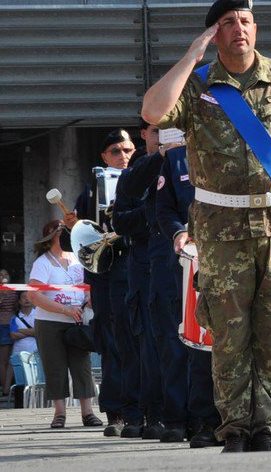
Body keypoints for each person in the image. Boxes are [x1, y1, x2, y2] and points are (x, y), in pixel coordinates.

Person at [141, 0, 271, 454]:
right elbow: (152, 112)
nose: (240, 28)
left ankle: (267, 427)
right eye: (228, 22)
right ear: (214, 33)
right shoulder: (198, 86)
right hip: (220, 227)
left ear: (256, 29)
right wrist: (189, 56)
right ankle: (236, 427)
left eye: (246, 20)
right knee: (229, 332)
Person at [155, 128, 223, 448]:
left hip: (231, 260)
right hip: (188, 266)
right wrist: (178, 232)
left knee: (226, 343)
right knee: (192, 344)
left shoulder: (238, 151)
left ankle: (225, 419)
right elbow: (164, 208)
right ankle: (192, 420)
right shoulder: (176, 160)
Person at [71, 129, 139, 436]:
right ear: (104, 156)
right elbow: (76, 241)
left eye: (128, 149)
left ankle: (142, 408)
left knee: (140, 341)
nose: (123, 156)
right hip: (106, 274)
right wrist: (71, 227)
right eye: (115, 151)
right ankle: (115, 411)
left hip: (136, 268)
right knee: (111, 342)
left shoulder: (145, 180)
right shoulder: (89, 192)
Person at [112, 124, 170, 440]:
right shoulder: (133, 174)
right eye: (155, 130)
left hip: (178, 261)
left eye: (167, 129)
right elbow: (119, 221)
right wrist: (152, 214)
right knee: (147, 345)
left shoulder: (186, 164)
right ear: (144, 135)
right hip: (144, 263)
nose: (161, 136)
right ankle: (150, 413)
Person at [27, 220, 102, 429]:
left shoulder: (77, 259)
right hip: (50, 322)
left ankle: (88, 412)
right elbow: (34, 296)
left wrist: (88, 298)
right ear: (52, 237)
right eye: (63, 233)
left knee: (82, 366)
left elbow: (88, 286)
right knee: (55, 367)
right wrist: (64, 309)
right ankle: (59, 413)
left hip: (76, 321)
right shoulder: (42, 263)